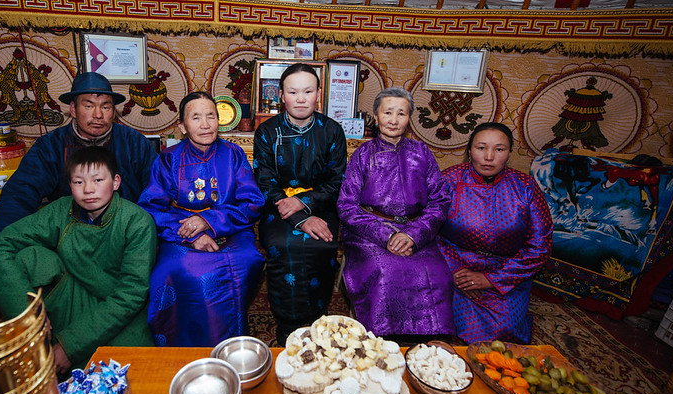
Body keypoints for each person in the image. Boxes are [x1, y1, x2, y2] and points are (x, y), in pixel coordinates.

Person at [0, 146, 157, 373]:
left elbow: (130, 295)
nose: (88, 190)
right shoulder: (61, 210)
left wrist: (69, 346)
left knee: (127, 378)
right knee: (28, 256)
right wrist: (29, 319)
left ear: (115, 182)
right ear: (69, 185)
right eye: (78, 182)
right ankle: (37, 336)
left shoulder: (137, 222)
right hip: (70, 295)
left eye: (98, 180)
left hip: (117, 309)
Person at [138, 92, 265, 346]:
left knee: (248, 261)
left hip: (231, 229)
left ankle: (230, 343)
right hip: (181, 232)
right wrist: (193, 233)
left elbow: (252, 202)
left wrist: (209, 221)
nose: (205, 124)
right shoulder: (168, 159)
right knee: (173, 271)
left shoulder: (233, 154)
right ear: (183, 127)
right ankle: (182, 345)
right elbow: (150, 208)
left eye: (211, 116)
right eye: (196, 118)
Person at [0, 71, 156, 248]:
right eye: (88, 106)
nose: (97, 115)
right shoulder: (50, 146)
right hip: (71, 237)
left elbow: (156, 192)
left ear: (113, 112)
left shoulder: (134, 142)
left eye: (105, 107)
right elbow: (19, 195)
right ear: (73, 109)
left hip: (125, 233)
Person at [337, 87, 454, 341]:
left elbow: (439, 201)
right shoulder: (362, 155)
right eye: (387, 112)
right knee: (385, 269)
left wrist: (412, 235)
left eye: (401, 113)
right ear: (376, 117)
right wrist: (386, 235)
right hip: (369, 233)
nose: (393, 119)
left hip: (417, 231)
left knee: (437, 273)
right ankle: (381, 340)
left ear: (409, 118)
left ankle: (429, 343)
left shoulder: (422, 153)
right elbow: (347, 206)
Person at [253, 63, 347, 345]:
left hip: (321, 205)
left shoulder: (332, 131)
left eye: (308, 91)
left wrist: (305, 202)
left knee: (322, 244)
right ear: (281, 95)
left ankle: (318, 317)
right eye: (293, 92)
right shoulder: (267, 131)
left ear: (319, 93)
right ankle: (287, 322)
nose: (301, 98)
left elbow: (336, 181)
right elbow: (264, 180)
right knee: (284, 246)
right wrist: (296, 215)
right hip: (277, 208)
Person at [438, 122, 553, 344]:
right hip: (457, 267)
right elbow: (430, 230)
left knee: (503, 333)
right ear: (469, 150)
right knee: (443, 323)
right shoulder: (449, 181)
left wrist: (490, 279)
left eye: (499, 149)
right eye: (481, 148)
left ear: (509, 153)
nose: (489, 157)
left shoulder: (526, 187)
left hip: (507, 272)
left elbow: (540, 246)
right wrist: (457, 272)